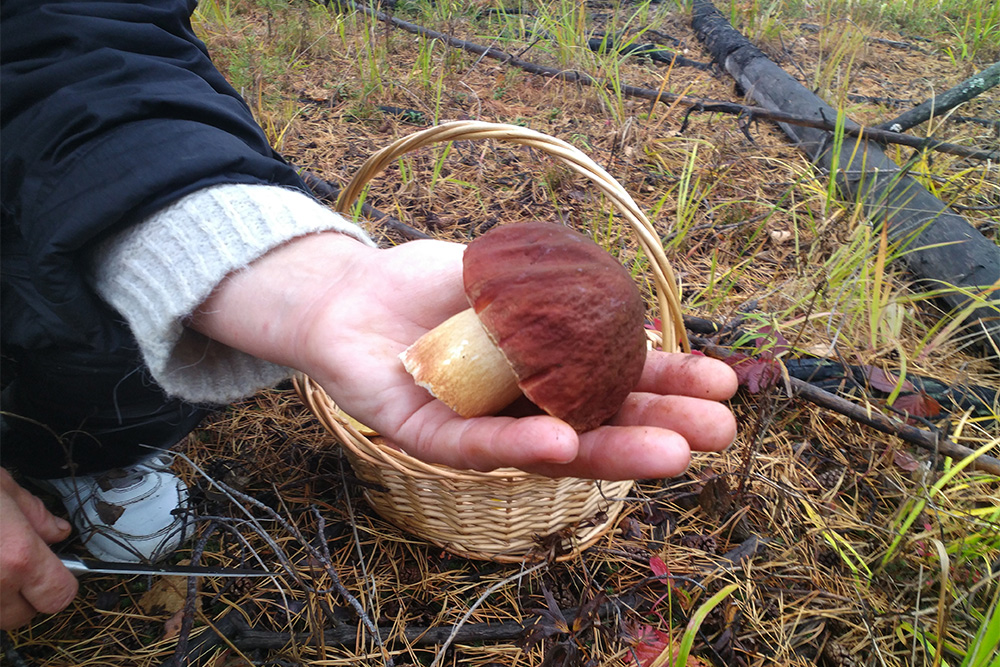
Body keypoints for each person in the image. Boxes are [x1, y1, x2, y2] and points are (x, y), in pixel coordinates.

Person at [0, 0, 739, 632]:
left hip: (63, 265)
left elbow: (80, 44)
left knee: (89, 342)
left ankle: (97, 450)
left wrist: (280, 267)